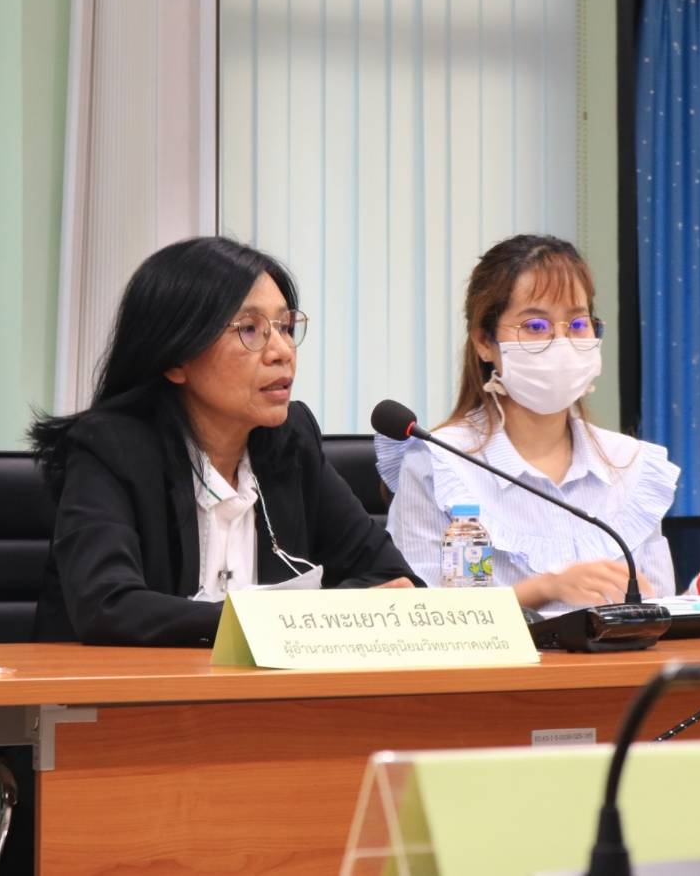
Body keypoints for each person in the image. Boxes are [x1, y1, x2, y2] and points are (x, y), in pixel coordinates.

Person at [29, 236, 418, 646]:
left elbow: (392, 578)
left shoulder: (293, 443)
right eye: (250, 329)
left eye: (285, 327)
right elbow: (108, 605)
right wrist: (283, 619)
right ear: (176, 359)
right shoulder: (111, 449)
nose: (282, 351)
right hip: (119, 687)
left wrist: (299, 618)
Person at [379, 234, 693, 616]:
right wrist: (544, 589)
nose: (561, 342)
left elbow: (659, 606)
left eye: (577, 323)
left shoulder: (629, 463)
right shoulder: (441, 462)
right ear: (484, 342)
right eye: (536, 325)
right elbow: (418, 612)